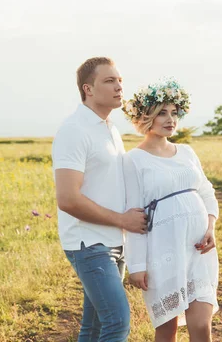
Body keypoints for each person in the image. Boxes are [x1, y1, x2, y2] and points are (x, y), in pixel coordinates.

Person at [52, 57, 147, 342]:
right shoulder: (74, 130)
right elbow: (68, 198)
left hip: (114, 241)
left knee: (93, 328)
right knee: (117, 322)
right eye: (109, 81)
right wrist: (122, 220)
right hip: (89, 242)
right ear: (88, 89)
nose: (119, 87)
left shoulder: (110, 129)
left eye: (120, 80)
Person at [122, 79, 219, 342]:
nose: (170, 119)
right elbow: (135, 216)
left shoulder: (187, 152)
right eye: (162, 112)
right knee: (167, 330)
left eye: (174, 113)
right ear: (146, 116)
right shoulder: (132, 160)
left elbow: (206, 192)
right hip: (162, 251)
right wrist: (137, 265)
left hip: (198, 248)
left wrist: (210, 227)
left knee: (201, 325)